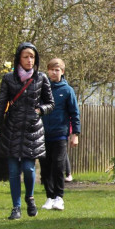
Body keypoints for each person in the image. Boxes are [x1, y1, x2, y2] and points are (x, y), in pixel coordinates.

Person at [0, 42, 54, 220]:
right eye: (25, 56)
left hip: (32, 129)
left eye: (32, 56)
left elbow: (51, 103)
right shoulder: (8, 79)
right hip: (12, 128)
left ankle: (30, 197)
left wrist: (40, 110)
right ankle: (16, 207)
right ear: (19, 58)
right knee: (12, 171)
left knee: (28, 168)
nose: (29, 60)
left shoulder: (41, 78)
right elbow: (1, 104)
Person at [40, 58, 80, 211]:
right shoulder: (43, 89)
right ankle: (49, 197)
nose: (54, 72)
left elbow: (74, 113)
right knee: (45, 167)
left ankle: (59, 197)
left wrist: (75, 134)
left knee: (58, 165)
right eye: (51, 69)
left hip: (60, 134)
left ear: (62, 72)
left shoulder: (67, 90)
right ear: (48, 71)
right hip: (43, 134)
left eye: (57, 70)